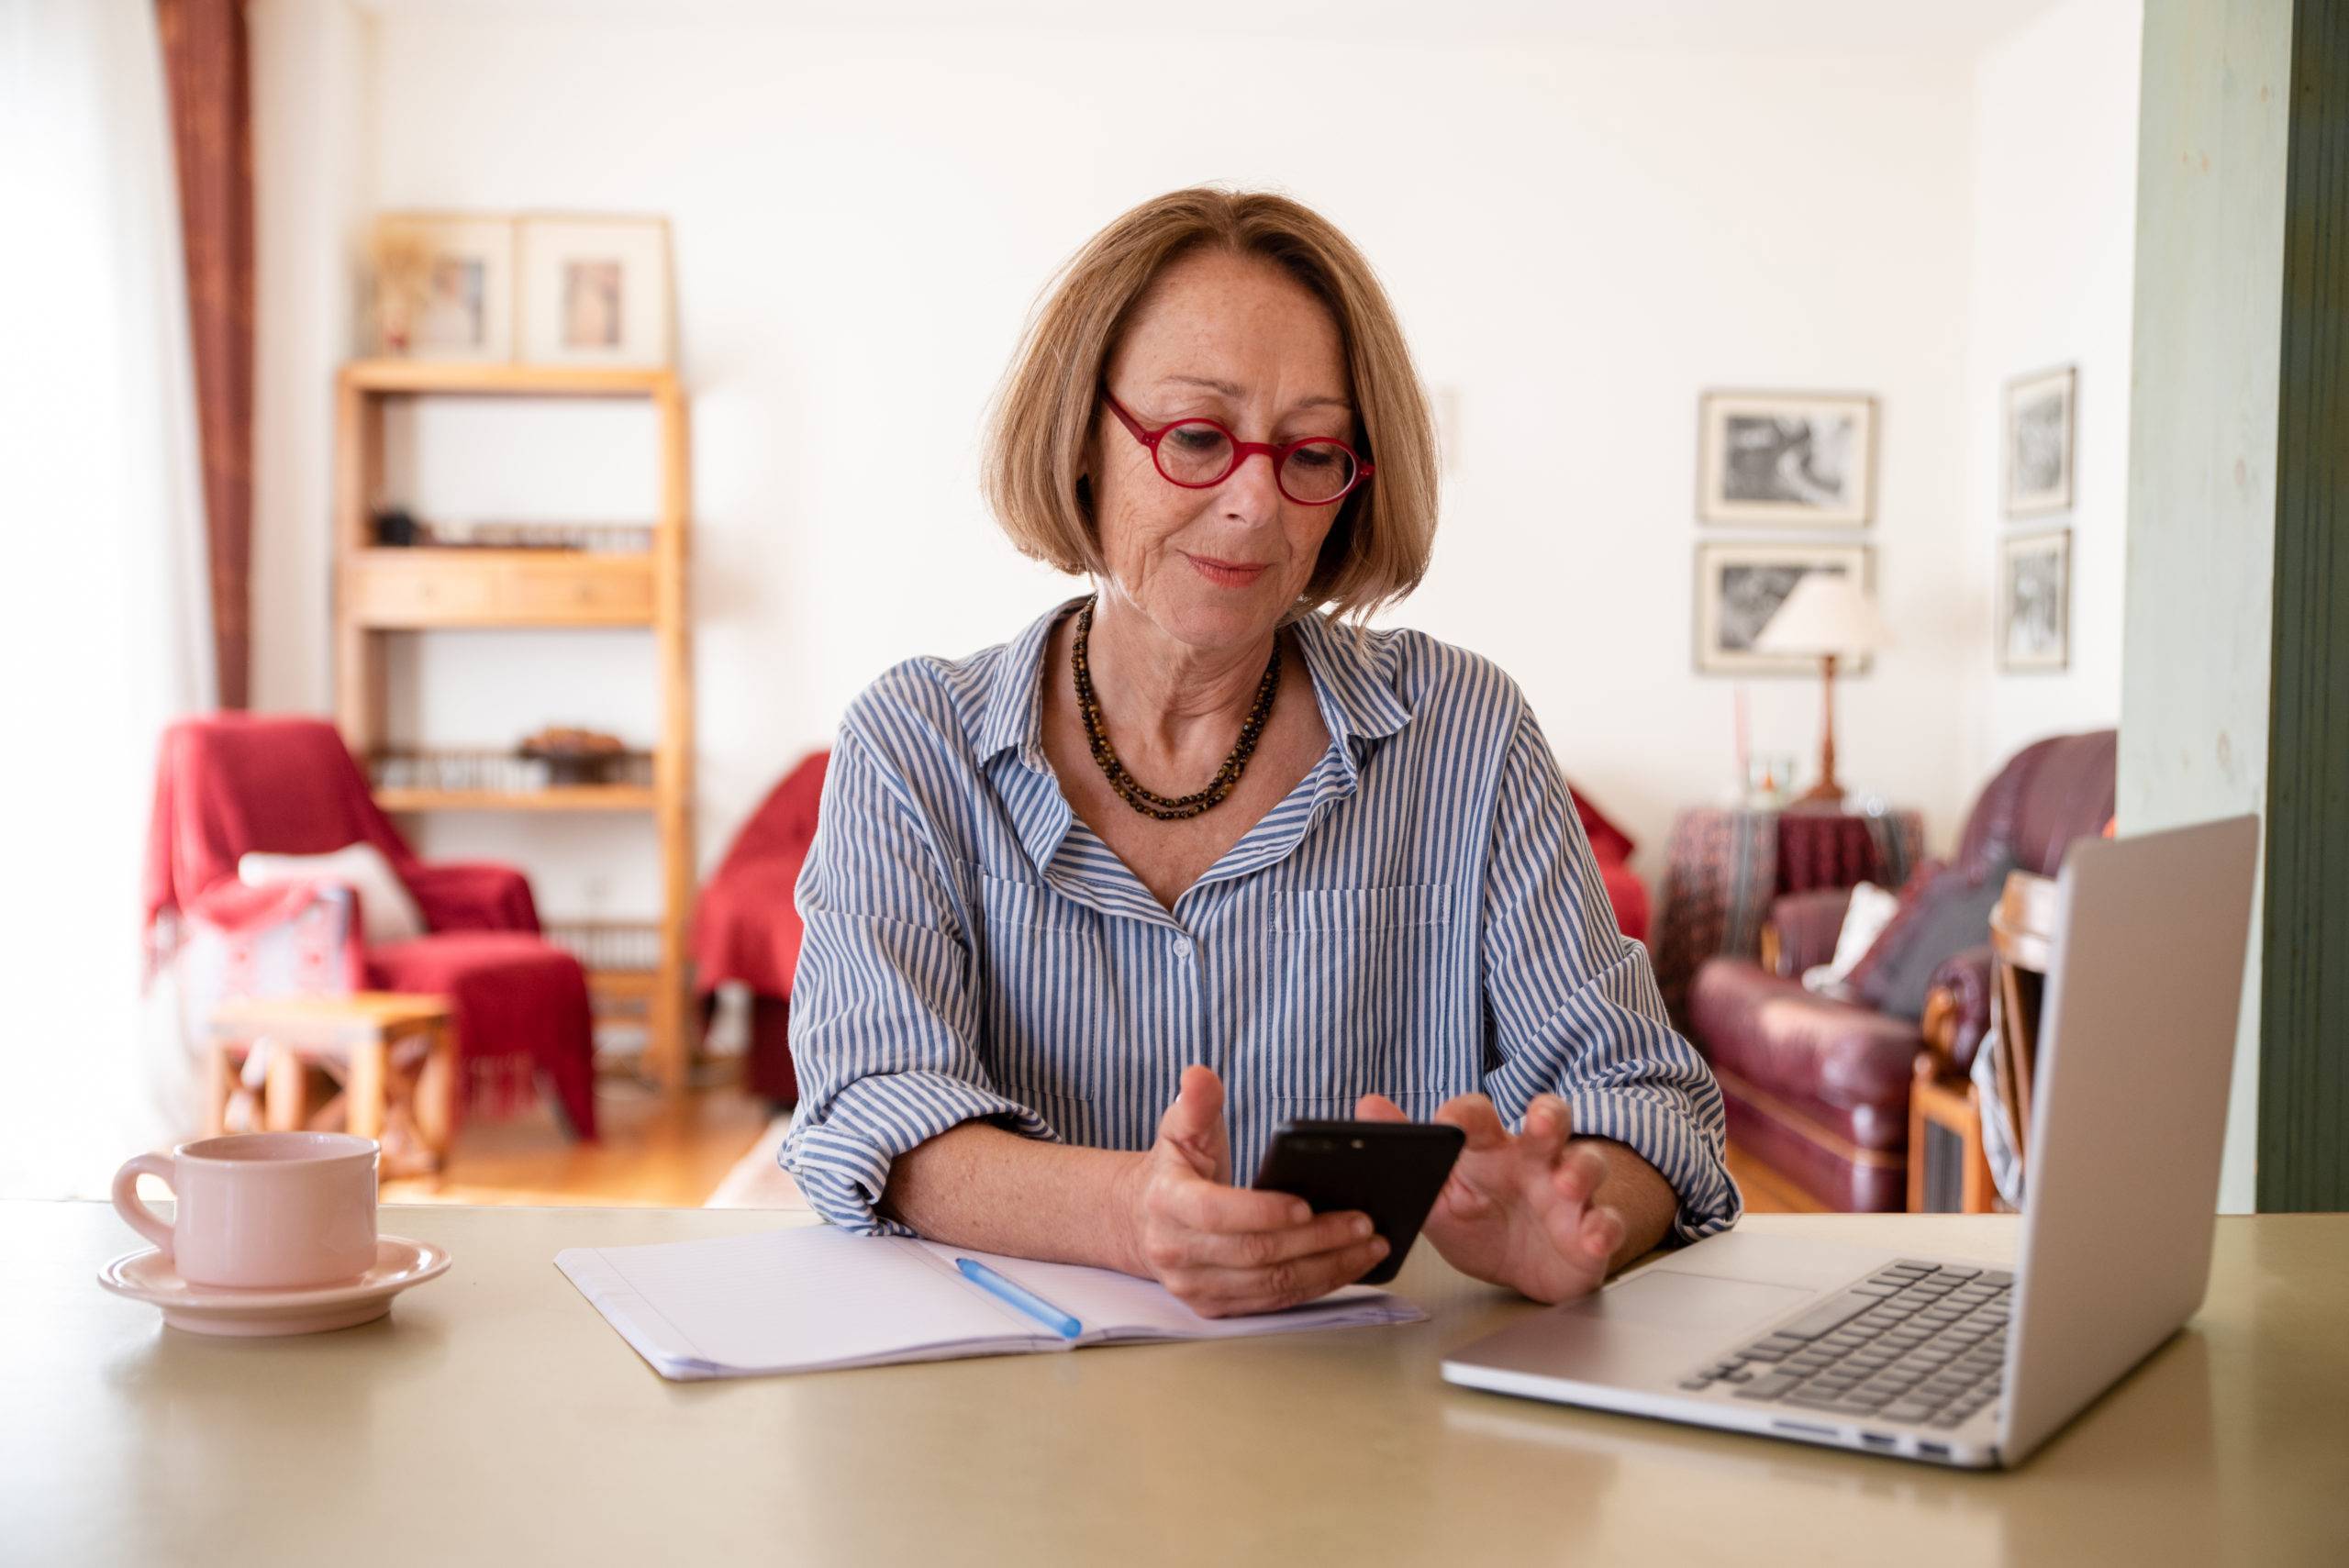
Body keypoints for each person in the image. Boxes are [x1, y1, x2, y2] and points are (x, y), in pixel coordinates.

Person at [783, 187, 1739, 1318]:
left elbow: (1643, 1097)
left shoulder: (1465, 733)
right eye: (1196, 437)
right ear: (1081, 437)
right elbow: (870, 1107)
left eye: (1311, 452)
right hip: (1019, 1421)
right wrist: (1129, 1212)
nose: (1253, 505)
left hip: (1386, 1427)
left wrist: (1582, 1209)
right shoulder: (915, 742)